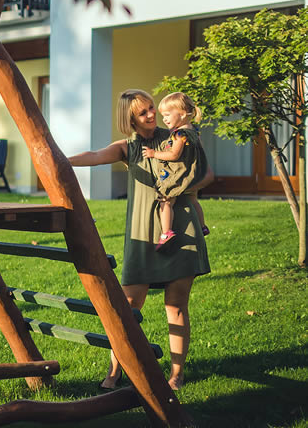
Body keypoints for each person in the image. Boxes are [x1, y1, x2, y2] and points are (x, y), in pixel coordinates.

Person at [68, 89, 211, 391]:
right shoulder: (127, 148)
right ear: (129, 119)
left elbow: (206, 173)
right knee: (128, 307)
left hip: (180, 230)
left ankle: (176, 374)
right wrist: (59, 160)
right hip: (142, 235)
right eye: (143, 112)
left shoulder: (177, 137)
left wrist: (181, 187)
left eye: (151, 108)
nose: (151, 115)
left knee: (176, 306)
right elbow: (94, 156)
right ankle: (116, 370)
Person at [144, 91, 210, 252]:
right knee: (194, 200)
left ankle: (166, 232)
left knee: (166, 201)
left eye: (167, 115)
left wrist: (154, 154)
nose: (164, 119)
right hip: (193, 175)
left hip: (179, 175)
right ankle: (202, 226)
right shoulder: (194, 131)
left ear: (181, 114)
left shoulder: (179, 134)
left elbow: (174, 155)